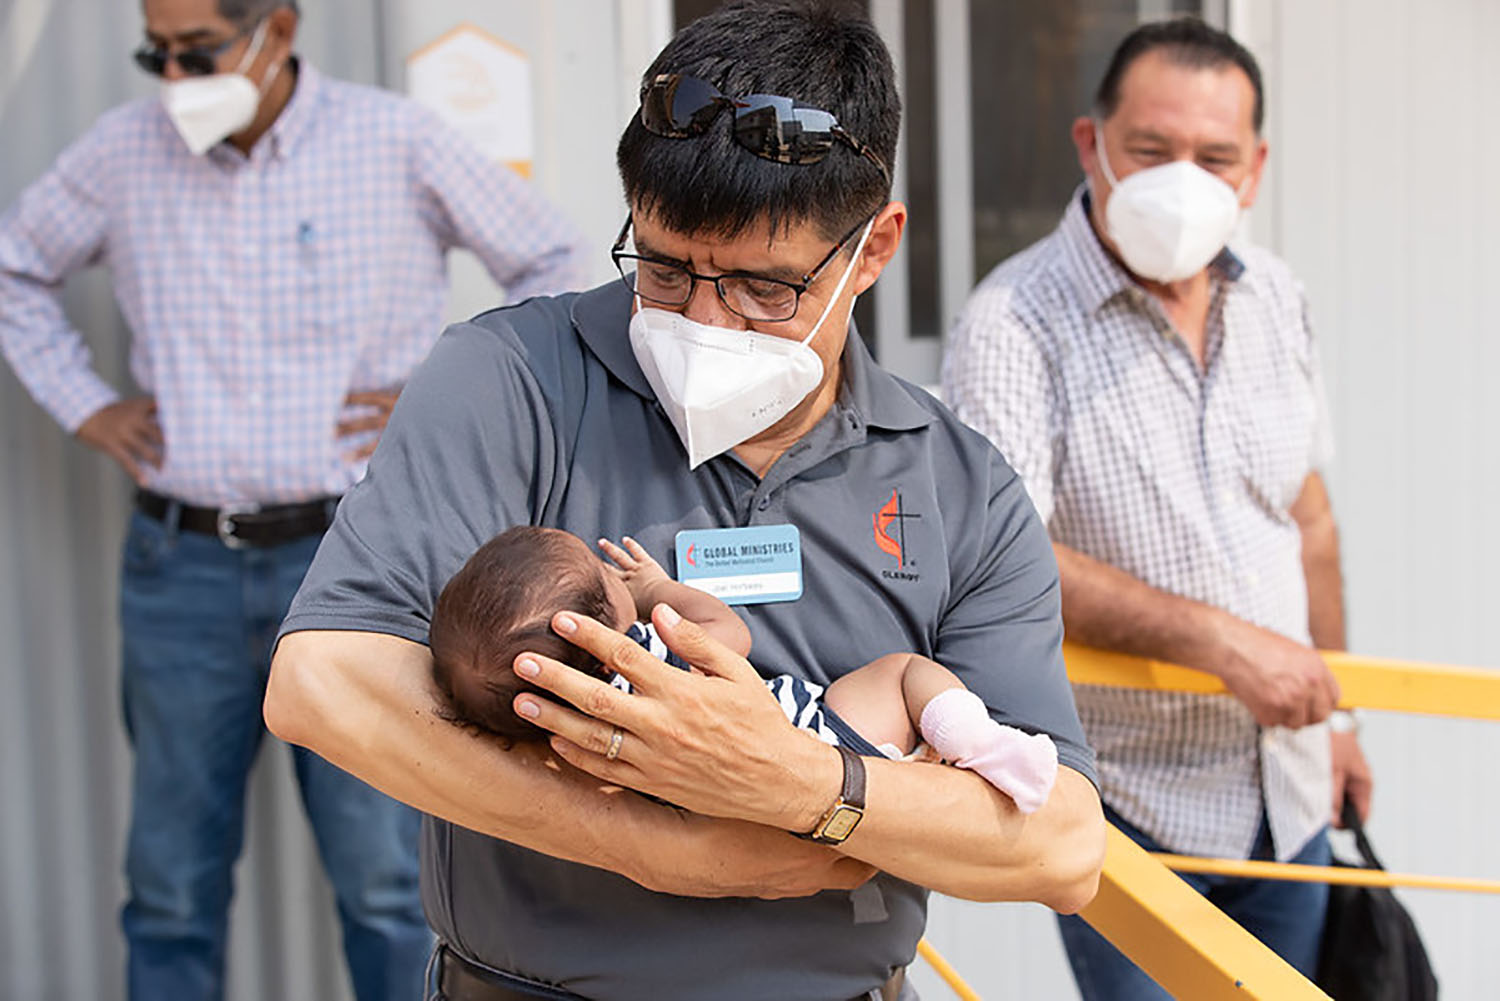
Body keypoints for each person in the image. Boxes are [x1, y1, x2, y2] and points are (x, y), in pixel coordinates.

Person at [264, 3, 1106, 1000]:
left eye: (763, 288)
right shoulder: (513, 379)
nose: (705, 320)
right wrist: (651, 843)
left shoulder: (957, 483)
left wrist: (802, 785)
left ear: (873, 250)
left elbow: (1060, 845)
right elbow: (323, 682)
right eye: (664, 269)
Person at [0, 0, 589, 997]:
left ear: (277, 27)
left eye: (199, 52)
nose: (176, 79)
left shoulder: (392, 140)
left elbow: (553, 262)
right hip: (182, 567)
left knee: (387, 881)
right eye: (157, 54)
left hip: (355, 567)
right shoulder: (123, 152)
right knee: (171, 885)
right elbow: (15, 266)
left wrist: (438, 398)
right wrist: (87, 407)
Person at [943, 17, 1373, 998]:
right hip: (1130, 808)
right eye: (1150, 149)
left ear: (1255, 170)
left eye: (1214, 158)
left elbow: (1308, 521)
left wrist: (1341, 717)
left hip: (1288, 794)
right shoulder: (1012, 321)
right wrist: (1222, 643)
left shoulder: (1277, 297)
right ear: (1091, 144)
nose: (1183, 181)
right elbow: (1007, 564)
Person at [429, 528, 1059, 812]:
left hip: (749, 809)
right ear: (604, 624)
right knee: (903, 673)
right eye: (603, 575)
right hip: (817, 738)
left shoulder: (570, 732)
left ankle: (928, 756)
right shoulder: (649, 651)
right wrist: (654, 591)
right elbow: (732, 635)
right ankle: (983, 747)